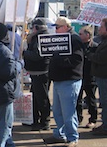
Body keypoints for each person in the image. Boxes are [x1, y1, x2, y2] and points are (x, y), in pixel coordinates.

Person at [43, 17, 83, 147]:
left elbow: (77, 59)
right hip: (59, 79)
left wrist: (59, 60)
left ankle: (72, 137)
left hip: (69, 79)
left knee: (68, 111)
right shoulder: (60, 39)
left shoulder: (74, 39)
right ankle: (60, 134)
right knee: (58, 110)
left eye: (58, 27)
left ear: (66, 27)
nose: (55, 30)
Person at [23, 18, 51, 131]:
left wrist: (25, 53)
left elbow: (38, 55)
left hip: (41, 72)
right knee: (35, 97)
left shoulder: (42, 39)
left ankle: (44, 121)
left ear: (37, 28)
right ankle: (34, 120)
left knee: (42, 98)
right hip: (37, 72)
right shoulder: (38, 38)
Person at [87, 18, 107, 136]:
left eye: (102, 27)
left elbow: (101, 58)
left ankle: (105, 127)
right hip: (101, 76)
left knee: (105, 102)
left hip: (104, 76)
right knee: (104, 102)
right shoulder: (103, 41)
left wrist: (90, 55)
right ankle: (105, 124)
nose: (100, 29)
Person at [76, 25, 98, 128]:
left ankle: (93, 119)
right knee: (77, 99)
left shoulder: (94, 46)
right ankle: (78, 118)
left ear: (87, 35)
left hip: (90, 77)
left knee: (91, 99)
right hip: (79, 75)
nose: (79, 35)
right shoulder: (78, 45)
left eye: (81, 34)